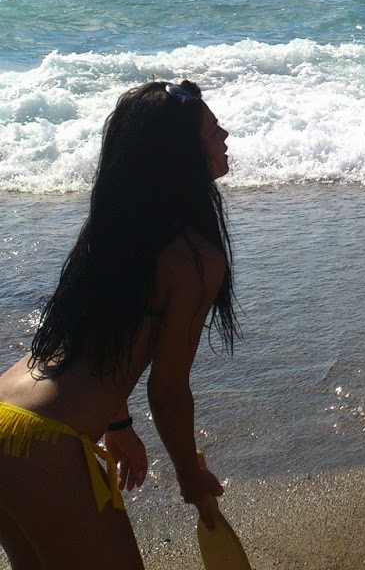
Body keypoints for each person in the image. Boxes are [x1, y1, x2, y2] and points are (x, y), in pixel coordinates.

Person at [0, 80, 239, 565]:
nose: (226, 135)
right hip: (46, 441)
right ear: (182, 155)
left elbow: (96, 342)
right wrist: (190, 477)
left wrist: (118, 424)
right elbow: (168, 391)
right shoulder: (194, 257)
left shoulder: (116, 234)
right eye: (213, 130)